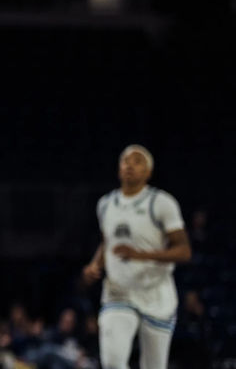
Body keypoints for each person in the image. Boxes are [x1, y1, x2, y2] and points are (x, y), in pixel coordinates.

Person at [82, 144, 191, 369]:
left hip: (156, 294)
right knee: (112, 362)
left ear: (148, 172)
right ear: (118, 168)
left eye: (137, 161)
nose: (130, 165)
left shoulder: (161, 203)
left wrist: (140, 255)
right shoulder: (105, 204)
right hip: (118, 292)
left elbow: (183, 251)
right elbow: (107, 242)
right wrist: (95, 264)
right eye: (125, 161)